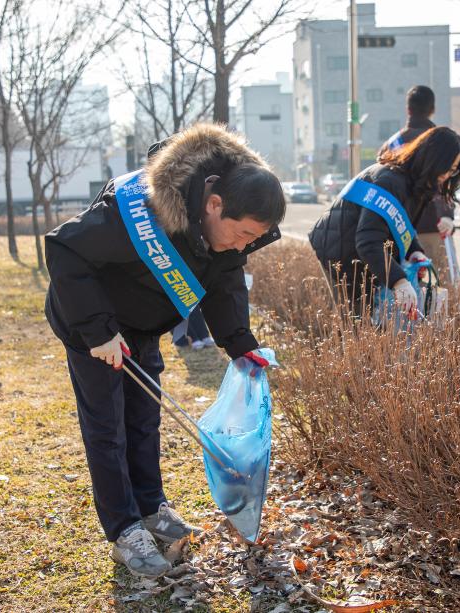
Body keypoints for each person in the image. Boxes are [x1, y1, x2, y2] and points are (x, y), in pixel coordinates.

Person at [44, 123, 285, 578]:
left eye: (254, 238)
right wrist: (97, 332)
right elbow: (63, 249)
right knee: (107, 427)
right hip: (91, 322)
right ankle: (123, 530)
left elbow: (225, 280)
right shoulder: (137, 209)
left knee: (143, 418)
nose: (244, 245)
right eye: (243, 233)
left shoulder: (226, 225)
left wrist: (239, 343)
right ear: (214, 205)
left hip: (142, 325)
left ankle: (152, 506)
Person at [309, 126, 460, 315]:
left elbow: (402, 227)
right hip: (340, 250)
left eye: (454, 171)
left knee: (374, 321)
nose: (448, 176)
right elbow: (368, 241)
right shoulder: (390, 181)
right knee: (358, 325)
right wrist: (398, 281)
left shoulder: (416, 184)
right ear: (433, 160)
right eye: (447, 169)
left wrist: (414, 252)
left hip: (363, 252)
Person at [377, 85, 455, 284]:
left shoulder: (392, 144)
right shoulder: (443, 142)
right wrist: (447, 215)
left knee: (407, 292)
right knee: (440, 288)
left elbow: (380, 185)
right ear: (432, 109)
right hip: (434, 226)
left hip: (398, 230)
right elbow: (449, 182)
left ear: (408, 109)